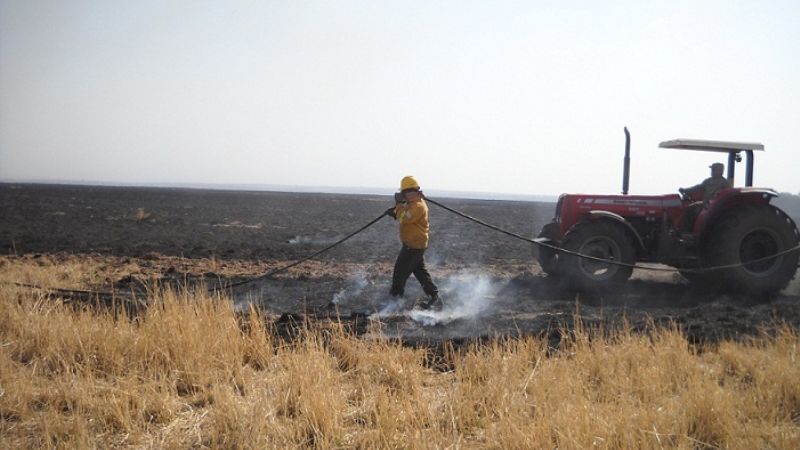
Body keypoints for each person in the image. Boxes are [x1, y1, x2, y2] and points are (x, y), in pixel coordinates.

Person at [385, 176, 441, 309]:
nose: (402, 195)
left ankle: (395, 303)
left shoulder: (418, 206)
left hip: (413, 246)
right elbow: (404, 214)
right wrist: (395, 212)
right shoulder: (412, 204)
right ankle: (434, 296)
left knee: (400, 273)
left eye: (404, 193)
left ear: (411, 192)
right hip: (415, 245)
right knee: (420, 272)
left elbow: (406, 218)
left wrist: (398, 206)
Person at [679, 162, 732, 232]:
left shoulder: (724, 183)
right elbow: (698, 188)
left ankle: (686, 232)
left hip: (714, 205)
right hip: (705, 203)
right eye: (712, 170)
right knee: (690, 208)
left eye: (713, 170)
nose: (712, 172)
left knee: (690, 209)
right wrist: (686, 190)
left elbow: (725, 195)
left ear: (719, 171)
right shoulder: (708, 181)